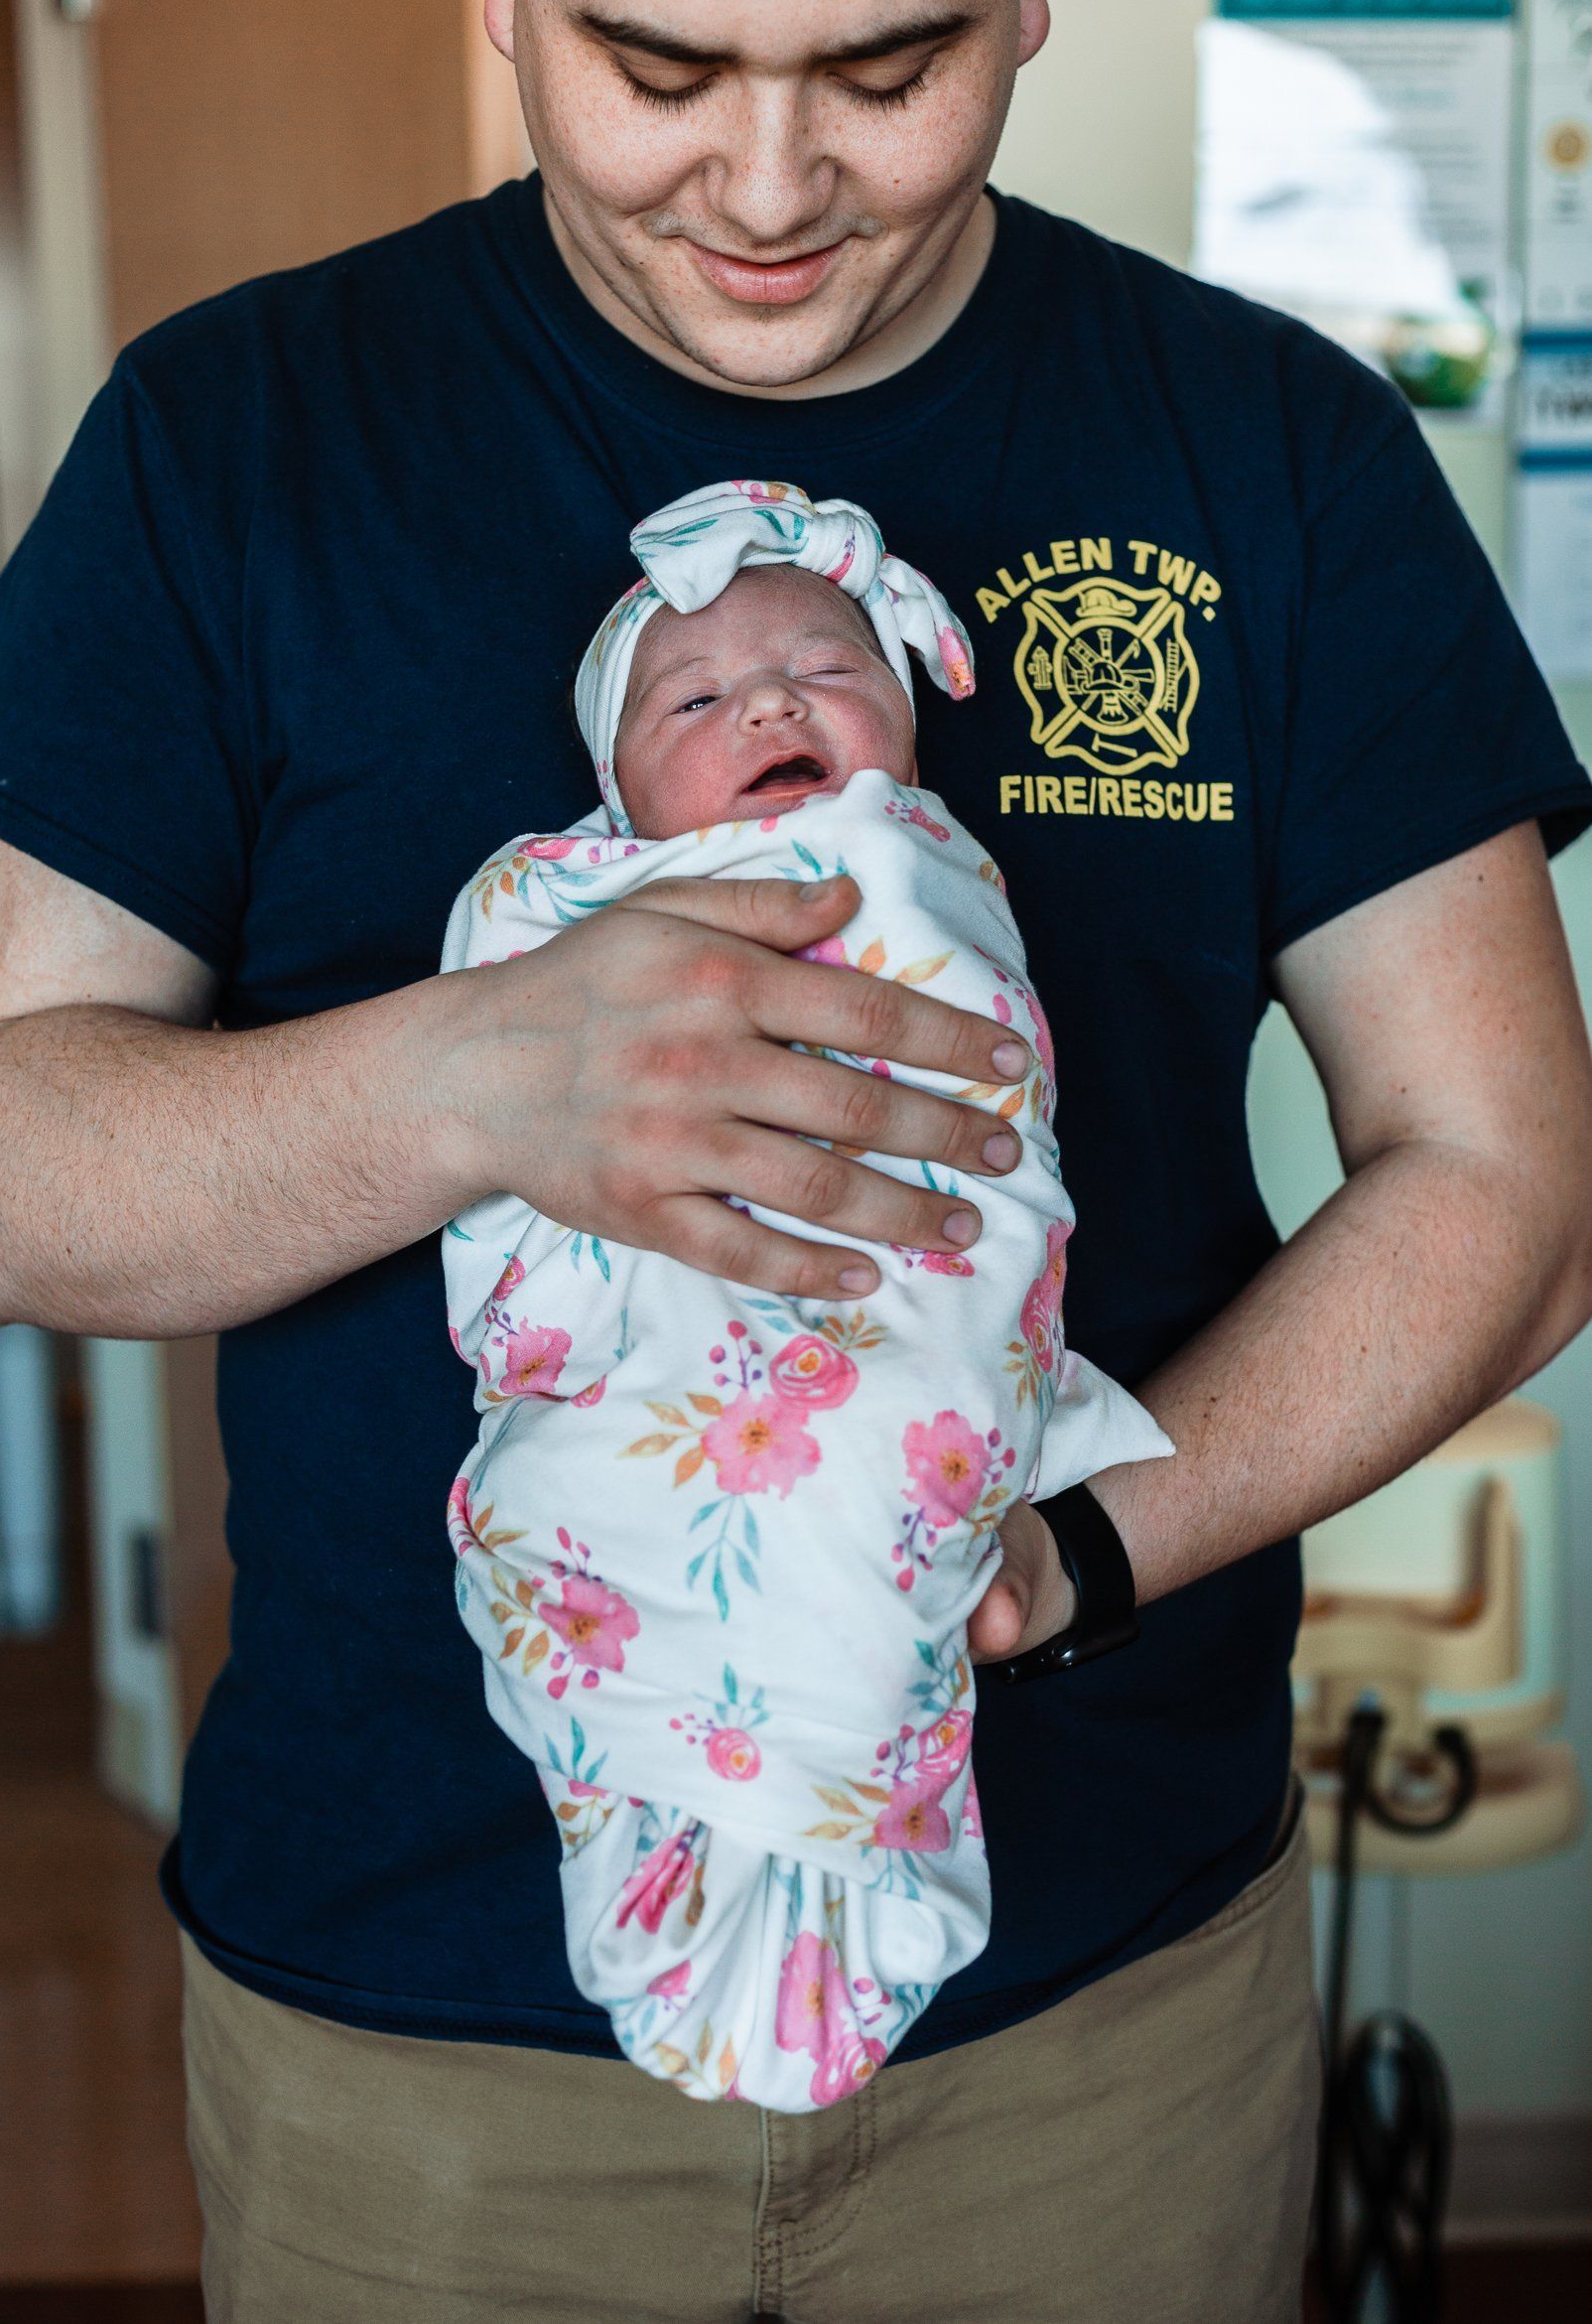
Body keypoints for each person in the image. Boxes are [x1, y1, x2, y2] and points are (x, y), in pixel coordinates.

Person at [0, 0, 1589, 2315]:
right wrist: (488, 1076)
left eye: (889, 67)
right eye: (661, 66)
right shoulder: (234, 439)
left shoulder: (1275, 452)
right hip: (419, 2034)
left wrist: (1070, 1551)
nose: (774, 183)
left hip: (1102, 2016)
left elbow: (1511, 1177)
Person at [440, 480, 1170, 2114]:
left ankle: (837, 1841)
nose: (771, 705)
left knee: (869, 1490)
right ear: (619, 795)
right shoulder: (565, 898)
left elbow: (979, 1069)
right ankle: (678, 1846)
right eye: (694, 702)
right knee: (567, 1501)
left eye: (830, 671)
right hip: (661, 1347)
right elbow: (490, 1077)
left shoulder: (920, 864)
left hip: (885, 1335)